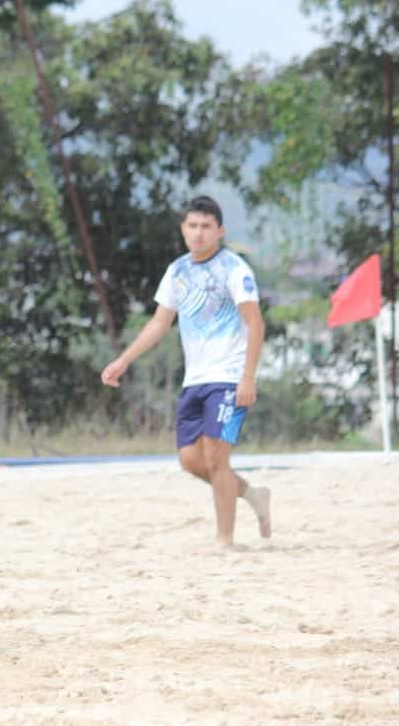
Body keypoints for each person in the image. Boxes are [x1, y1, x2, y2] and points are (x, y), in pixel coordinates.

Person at [101, 195, 272, 549]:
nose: (198, 233)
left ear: (219, 231)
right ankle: (253, 495)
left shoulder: (234, 269)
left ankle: (224, 540)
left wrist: (247, 377)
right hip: (195, 379)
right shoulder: (177, 271)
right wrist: (124, 360)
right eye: (192, 226)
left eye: (206, 227)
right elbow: (159, 323)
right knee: (191, 461)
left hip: (228, 376)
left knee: (215, 457)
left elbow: (255, 324)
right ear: (183, 229)